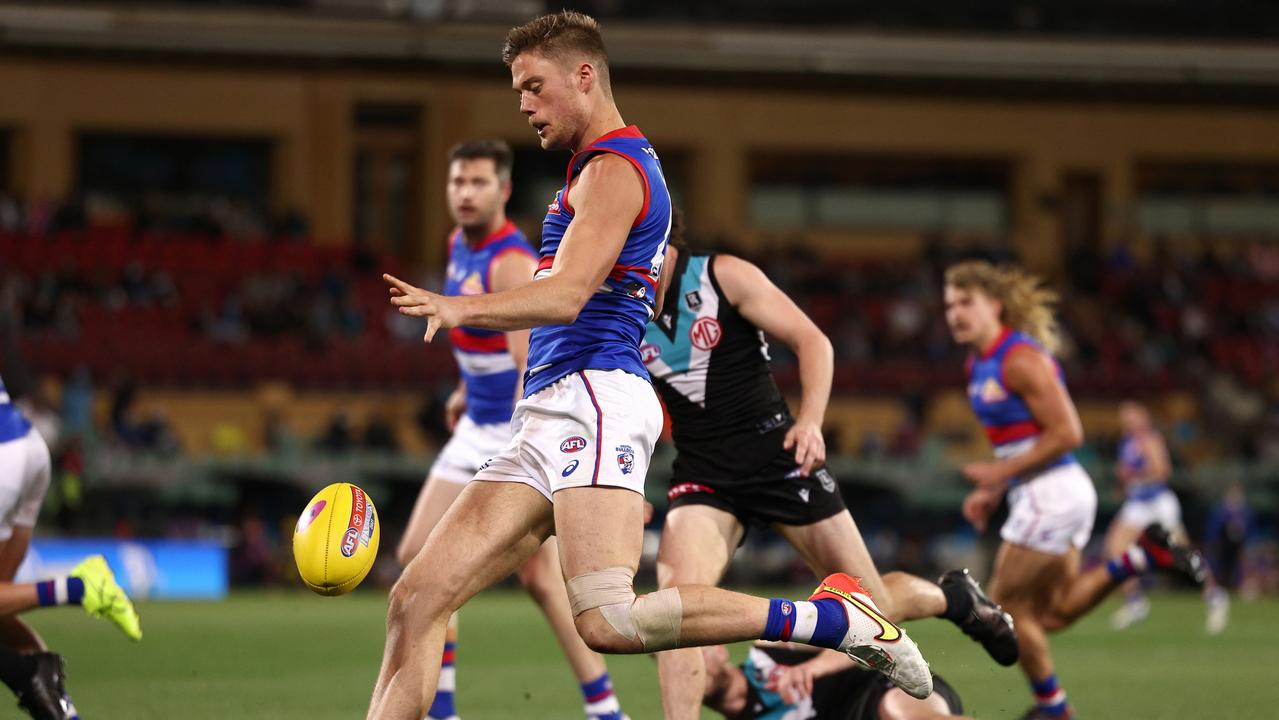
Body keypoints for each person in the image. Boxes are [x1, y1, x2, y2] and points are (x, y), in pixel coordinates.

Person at [367, 12, 932, 720]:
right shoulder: (596, 168)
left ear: (584, 76)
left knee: (609, 622)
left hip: (593, 398)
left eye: (533, 87)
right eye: (518, 91)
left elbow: (570, 295)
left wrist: (459, 309)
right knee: (417, 598)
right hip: (549, 406)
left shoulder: (614, 169)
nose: (523, 105)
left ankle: (834, 621)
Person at [647, 221, 1016, 718]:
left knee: (874, 608)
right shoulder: (622, 304)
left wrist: (812, 423)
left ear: (658, 232)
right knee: (676, 612)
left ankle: (954, 599)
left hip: (778, 459)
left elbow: (813, 341)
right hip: (703, 476)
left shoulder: (723, 275)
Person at [394, 138, 627, 720]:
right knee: (415, 555)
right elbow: (483, 345)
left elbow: (532, 359)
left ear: (502, 189)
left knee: (546, 585)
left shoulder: (509, 259)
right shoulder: (457, 246)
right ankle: (443, 705)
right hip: (476, 422)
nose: (465, 193)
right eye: (457, 183)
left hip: (512, 432)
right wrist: (464, 391)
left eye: (478, 183)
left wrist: (519, 431)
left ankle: (605, 709)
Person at [943, 260, 1207, 720]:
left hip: (1053, 492)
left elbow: (1068, 433)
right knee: (1052, 613)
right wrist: (994, 489)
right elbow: (1018, 442)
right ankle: (1142, 558)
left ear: (996, 306)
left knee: (1003, 609)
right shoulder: (978, 363)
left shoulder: (1019, 359)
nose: (954, 314)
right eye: (949, 305)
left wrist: (1000, 477)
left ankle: (1054, 710)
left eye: (966, 303)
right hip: (1046, 492)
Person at [1105, 401, 1228, 633]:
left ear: (1143, 418)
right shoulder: (1125, 442)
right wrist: (1123, 484)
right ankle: (1135, 602)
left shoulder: (1150, 439)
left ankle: (1214, 594)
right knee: (1115, 547)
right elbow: (1127, 478)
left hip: (1157, 503)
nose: (1126, 421)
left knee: (1181, 551)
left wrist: (1133, 473)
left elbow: (1162, 471)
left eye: (1131, 416)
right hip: (1137, 504)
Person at [701, 643, 968, 720]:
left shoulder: (768, 649)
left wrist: (815, 667)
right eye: (673, 667)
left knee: (895, 711)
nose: (689, 670)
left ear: (718, 648)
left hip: (882, 692)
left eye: (690, 653)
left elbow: (867, 638)